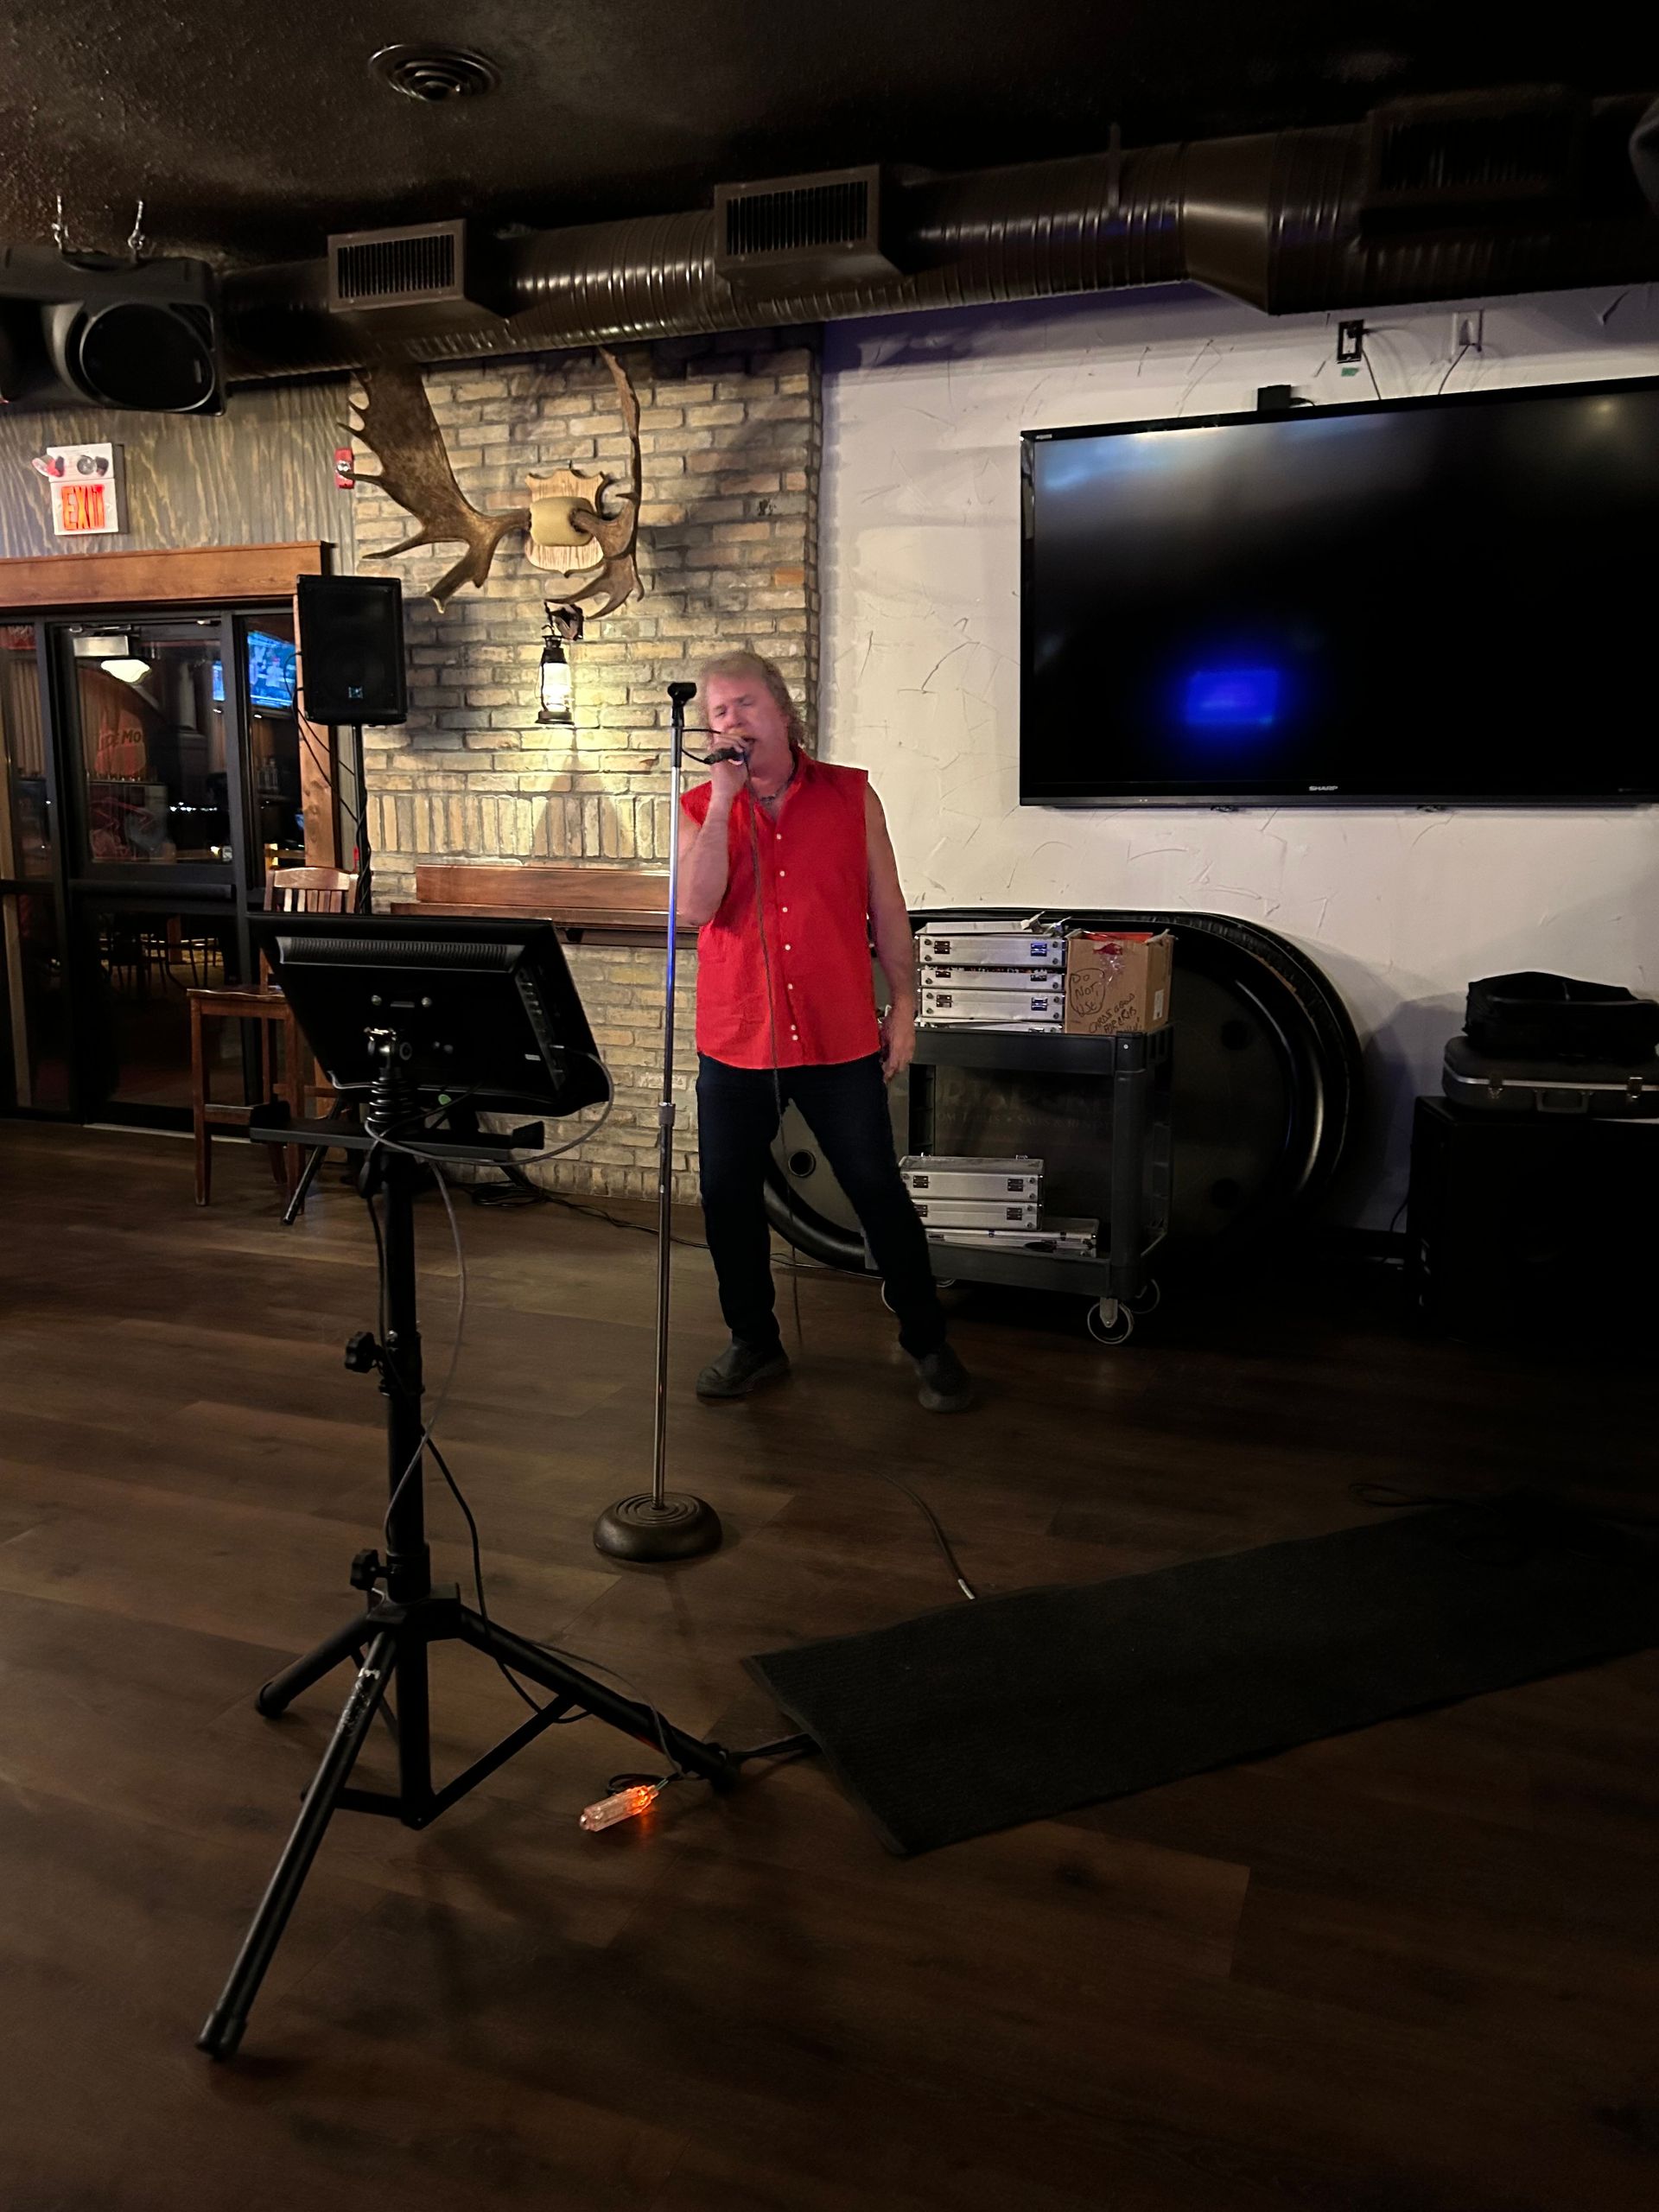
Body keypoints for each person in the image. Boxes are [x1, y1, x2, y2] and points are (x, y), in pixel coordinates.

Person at [677, 649, 976, 1414]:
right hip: (738, 1036)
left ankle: (928, 1342)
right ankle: (754, 1342)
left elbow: (888, 905)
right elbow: (695, 909)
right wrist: (724, 800)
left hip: (837, 1034)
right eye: (718, 712)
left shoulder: (850, 795)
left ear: (782, 711)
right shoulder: (698, 808)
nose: (732, 721)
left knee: (875, 1186)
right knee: (726, 1197)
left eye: (745, 704)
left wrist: (904, 1004)